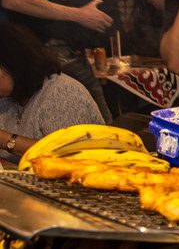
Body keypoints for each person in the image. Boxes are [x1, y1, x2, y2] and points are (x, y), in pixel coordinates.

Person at [0, 22, 103, 162]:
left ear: (16, 64)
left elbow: (68, 156)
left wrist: (5, 139)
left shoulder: (63, 94)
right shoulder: (7, 97)